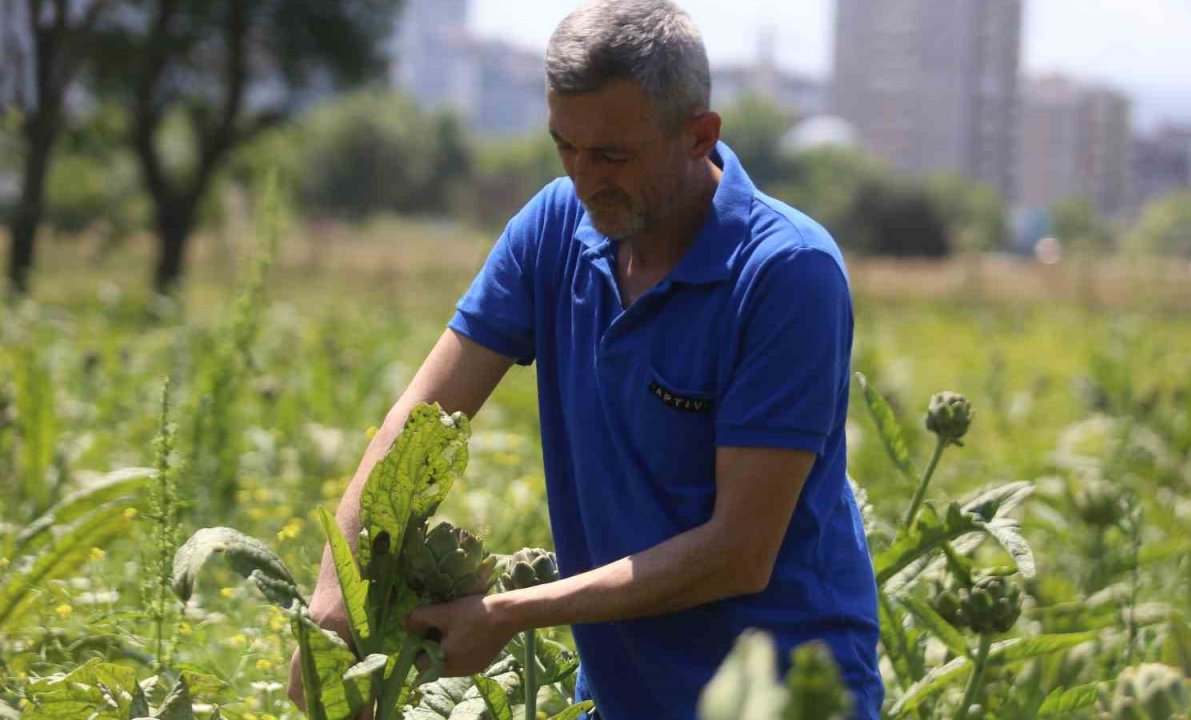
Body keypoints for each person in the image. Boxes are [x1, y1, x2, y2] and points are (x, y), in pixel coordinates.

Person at [290, 1, 883, 717]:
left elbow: (739, 550)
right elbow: (423, 416)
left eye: (611, 155)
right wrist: (333, 602)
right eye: (564, 147)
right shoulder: (552, 229)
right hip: (620, 693)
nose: (583, 178)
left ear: (700, 135)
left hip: (782, 693)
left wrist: (507, 614)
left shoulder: (787, 273)